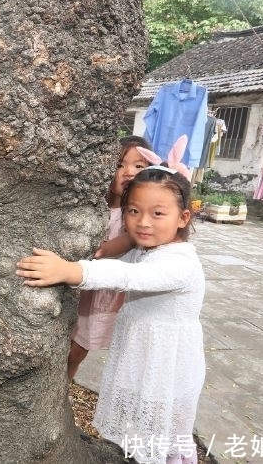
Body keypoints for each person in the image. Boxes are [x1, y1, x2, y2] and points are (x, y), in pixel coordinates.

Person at [16, 165, 205, 464]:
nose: (142, 222)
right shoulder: (149, 248)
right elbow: (114, 254)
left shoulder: (180, 262)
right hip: (142, 355)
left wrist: (70, 271)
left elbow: (127, 276)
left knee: (159, 430)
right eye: (133, 211)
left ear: (183, 218)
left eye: (157, 214)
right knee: (138, 426)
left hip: (167, 363)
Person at [67, 135, 156, 382]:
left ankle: (64, 385)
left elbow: (132, 239)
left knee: (79, 348)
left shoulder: (137, 214)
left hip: (107, 290)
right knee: (70, 342)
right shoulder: (92, 207)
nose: (128, 172)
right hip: (80, 286)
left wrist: (103, 250)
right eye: (119, 165)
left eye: (139, 166)